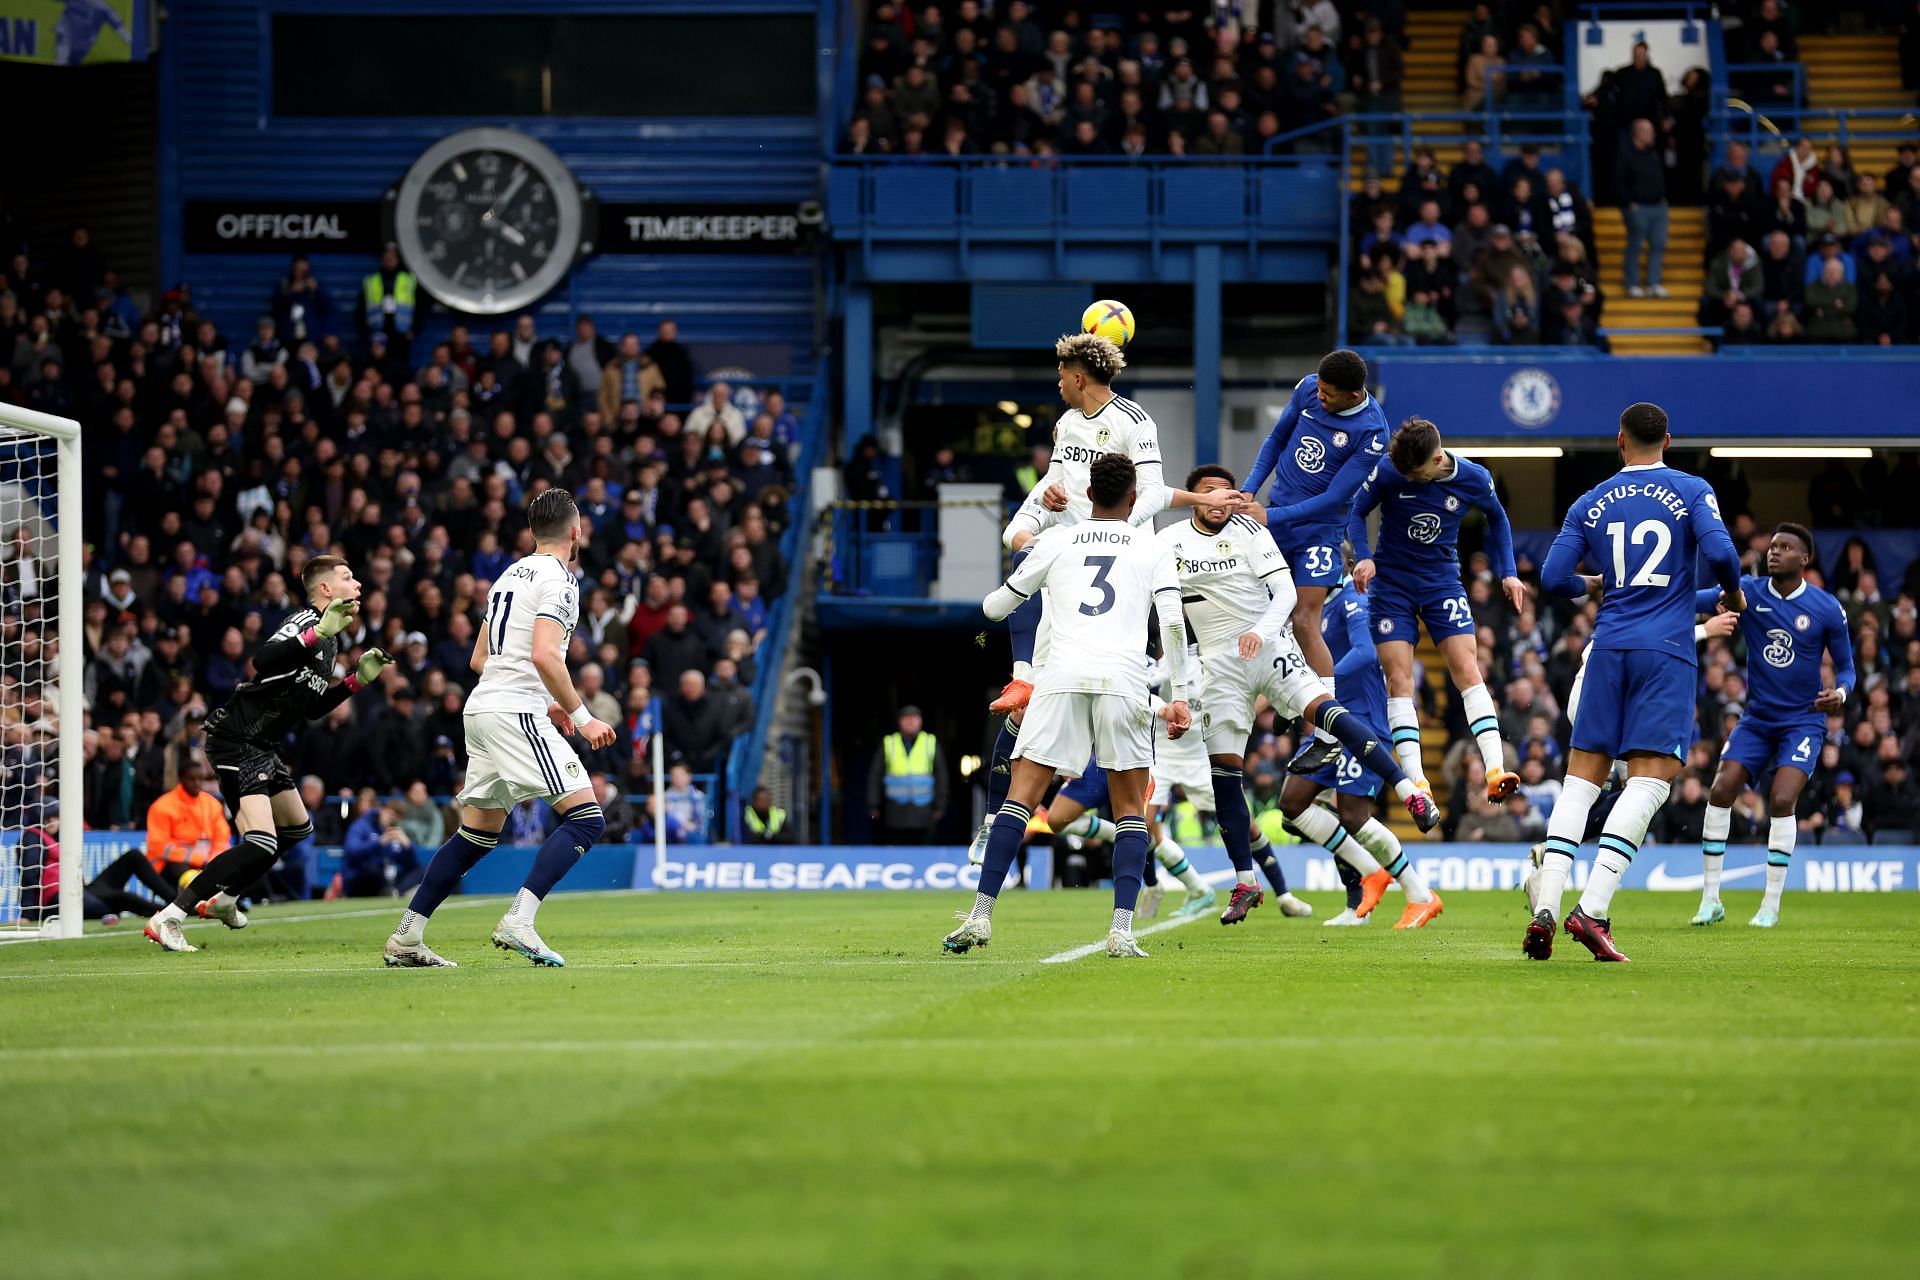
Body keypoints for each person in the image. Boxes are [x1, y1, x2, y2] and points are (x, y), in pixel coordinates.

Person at [1160, 465, 1440, 926]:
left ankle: (1409, 794)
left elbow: (1286, 593)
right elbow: (1169, 617)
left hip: (1271, 650)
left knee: (1335, 738)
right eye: (1206, 493)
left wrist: (1261, 631)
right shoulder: (1168, 544)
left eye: (1225, 492)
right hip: (1220, 672)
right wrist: (1181, 694)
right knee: (1247, 786)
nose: (1218, 500)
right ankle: (1249, 882)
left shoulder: (1253, 532)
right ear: (1192, 498)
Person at [946, 452, 1191, 960]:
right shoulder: (1153, 547)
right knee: (1129, 810)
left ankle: (981, 917)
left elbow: (994, 608)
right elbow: (1171, 624)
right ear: (1132, 499)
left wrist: (1038, 576)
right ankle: (1122, 930)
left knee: (1021, 797)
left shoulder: (1056, 541)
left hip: (1059, 677)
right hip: (1124, 680)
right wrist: (1179, 696)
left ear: (1087, 495)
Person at [1531, 403, 1744, 962]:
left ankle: (1545, 908)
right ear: (1667, 441)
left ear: (1619, 442)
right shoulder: (1692, 489)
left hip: (1607, 649)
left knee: (1580, 783)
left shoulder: (1589, 500)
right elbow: (1721, 553)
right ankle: (1592, 910)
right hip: (1665, 653)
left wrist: (1593, 584)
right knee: (1648, 782)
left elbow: (1553, 578)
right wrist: (1736, 596)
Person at [383, 490, 618, 969]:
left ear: (533, 533)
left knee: (477, 835)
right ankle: (520, 920)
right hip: (514, 710)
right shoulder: (561, 580)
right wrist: (581, 715)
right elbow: (545, 655)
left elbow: (478, 659)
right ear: (576, 532)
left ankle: (408, 936)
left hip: (483, 707)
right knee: (587, 818)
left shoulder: (509, 575)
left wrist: (547, 698)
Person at [143, 557, 391, 952]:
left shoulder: (331, 638)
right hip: (237, 739)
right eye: (348, 578)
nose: (358, 584)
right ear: (325, 589)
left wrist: (354, 682)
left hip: (263, 745)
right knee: (261, 842)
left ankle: (225, 899)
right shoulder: (307, 622)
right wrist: (313, 635)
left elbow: (309, 708)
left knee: (296, 829)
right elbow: (262, 660)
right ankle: (170, 915)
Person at [1342, 417, 1524, 808]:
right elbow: (1357, 512)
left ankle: (1495, 769)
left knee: (1468, 671)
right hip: (1391, 586)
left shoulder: (1473, 478)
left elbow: (1498, 517)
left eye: (1416, 473)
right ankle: (1417, 784)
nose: (1408, 477)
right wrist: (1364, 557)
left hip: (1441, 583)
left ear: (1438, 458)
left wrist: (1508, 573)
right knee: (1399, 679)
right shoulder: (1391, 470)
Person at [1693, 524, 1854, 929]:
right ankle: (1711, 899)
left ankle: (1770, 905)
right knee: (1721, 789)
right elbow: (1693, 600)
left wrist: (1840, 694)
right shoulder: (1747, 592)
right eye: (1773, 546)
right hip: (1757, 719)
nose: (1774, 552)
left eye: (1785, 548)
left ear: (1805, 559)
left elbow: (1849, 669)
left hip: (1802, 722)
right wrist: (1654, 595)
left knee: (1782, 800)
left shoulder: (1826, 608)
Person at [1237, 349, 1389, 773]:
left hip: (1320, 531)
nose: (1320, 398)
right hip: (1275, 513)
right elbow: (1276, 440)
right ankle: (1289, 697)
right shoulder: (1308, 387)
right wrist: (1250, 490)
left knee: (1305, 619)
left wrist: (1271, 516)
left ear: (1354, 393)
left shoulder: (1372, 431)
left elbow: (1336, 497)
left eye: (1329, 395)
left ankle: (1327, 737)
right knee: (1259, 610)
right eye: (1318, 390)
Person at [1285, 565, 1444, 929]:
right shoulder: (1315, 607)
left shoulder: (1352, 598)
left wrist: (1316, 688)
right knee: (1293, 803)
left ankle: (1420, 894)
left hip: (1364, 722)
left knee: (1353, 815)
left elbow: (1366, 652)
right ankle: (1371, 871)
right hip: (1332, 722)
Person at [142, 752, 231, 886]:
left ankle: (227, 900)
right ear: (181, 779)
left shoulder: (212, 804)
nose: (197, 783)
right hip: (169, 864)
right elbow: (158, 846)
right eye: (192, 779)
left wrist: (212, 859)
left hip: (206, 861)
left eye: (201, 779)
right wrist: (198, 859)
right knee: (183, 870)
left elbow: (222, 839)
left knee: (233, 864)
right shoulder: (162, 806)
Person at [868, 705, 947, 844]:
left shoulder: (930, 742)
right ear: (899, 722)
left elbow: (941, 776)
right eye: (906, 718)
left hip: (923, 811)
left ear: (921, 721)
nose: (910, 722)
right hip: (895, 811)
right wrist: (873, 805)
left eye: (914, 718)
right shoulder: (889, 742)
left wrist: (940, 805)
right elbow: (875, 775)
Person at [1617, 118, 1670, 297]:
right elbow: (1618, 182)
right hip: (1637, 207)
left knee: (1658, 245)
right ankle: (1632, 284)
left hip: (1659, 207)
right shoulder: (1625, 155)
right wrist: (1629, 203)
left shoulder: (1653, 154)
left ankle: (1653, 283)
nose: (1652, 135)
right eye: (1648, 131)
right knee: (1635, 245)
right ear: (1638, 133)